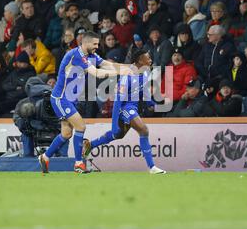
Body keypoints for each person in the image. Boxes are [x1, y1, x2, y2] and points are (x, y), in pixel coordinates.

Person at [37, 31, 133, 174]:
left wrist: (128, 67)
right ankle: (78, 164)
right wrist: (121, 72)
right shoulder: (75, 55)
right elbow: (97, 73)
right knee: (81, 126)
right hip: (61, 99)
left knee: (66, 134)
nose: (97, 46)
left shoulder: (90, 56)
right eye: (94, 44)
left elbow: (107, 64)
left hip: (70, 100)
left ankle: (44, 157)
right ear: (85, 43)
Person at [82, 49, 166, 174]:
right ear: (139, 61)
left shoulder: (146, 71)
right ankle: (152, 167)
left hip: (133, 107)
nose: (150, 60)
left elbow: (144, 89)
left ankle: (89, 145)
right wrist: (114, 123)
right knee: (143, 130)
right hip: (124, 107)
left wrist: (150, 103)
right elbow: (117, 101)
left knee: (118, 135)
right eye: (147, 58)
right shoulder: (127, 75)